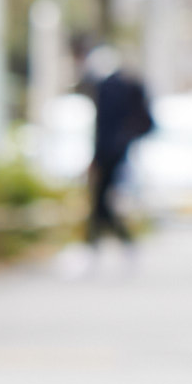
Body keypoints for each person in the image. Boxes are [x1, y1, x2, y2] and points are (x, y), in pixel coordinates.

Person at [84, 48, 152, 252]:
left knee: (100, 201)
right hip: (120, 152)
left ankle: (101, 244)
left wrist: (96, 156)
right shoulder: (127, 86)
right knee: (101, 202)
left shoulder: (107, 89)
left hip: (108, 154)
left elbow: (102, 127)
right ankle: (102, 243)